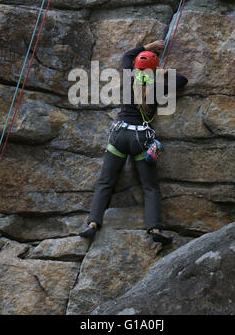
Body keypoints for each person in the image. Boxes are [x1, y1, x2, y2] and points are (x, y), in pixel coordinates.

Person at [79, 40, 188, 245]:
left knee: (105, 182)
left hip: (120, 135)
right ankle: (155, 227)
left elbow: (128, 56)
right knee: (150, 187)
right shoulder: (157, 86)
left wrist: (147, 47)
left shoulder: (129, 77)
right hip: (141, 139)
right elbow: (183, 80)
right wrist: (163, 73)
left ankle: (92, 223)